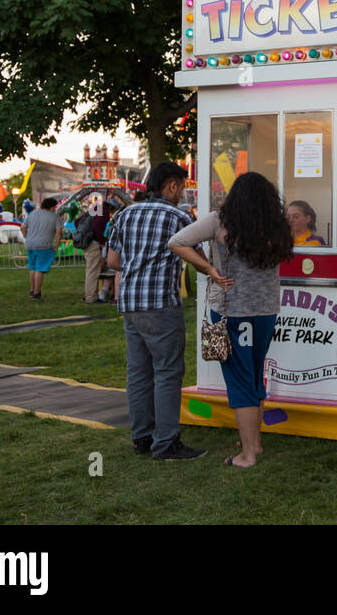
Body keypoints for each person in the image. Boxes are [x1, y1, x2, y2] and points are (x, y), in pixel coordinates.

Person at [168, 173, 292, 468]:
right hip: (266, 310)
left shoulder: (218, 220)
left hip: (231, 309)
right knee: (254, 374)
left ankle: (246, 455)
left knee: (239, 381)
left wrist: (209, 268)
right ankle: (255, 444)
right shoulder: (276, 225)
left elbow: (177, 242)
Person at [106, 162, 205, 460]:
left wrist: (138, 263)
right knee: (168, 373)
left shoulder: (124, 214)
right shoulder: (179, 217)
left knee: (137, 373)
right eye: (182, 187)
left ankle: (142, 438)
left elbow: (113, 261)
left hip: (131, 303)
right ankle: (166, 442)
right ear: (172, 186)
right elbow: (199, 257)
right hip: (161, 303)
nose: (183, 194)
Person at [22, 197, 63, 300]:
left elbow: (22, 227)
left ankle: (32, 290)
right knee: (40, 269)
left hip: (30, 244)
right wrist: (56, 246)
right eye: (55, 207)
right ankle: (36, 293)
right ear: (52, 207)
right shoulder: (55, 217)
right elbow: (59, 232)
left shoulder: (32, 214)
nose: (55, 209)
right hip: (44, 246)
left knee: (33, 268)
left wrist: (27, 237)